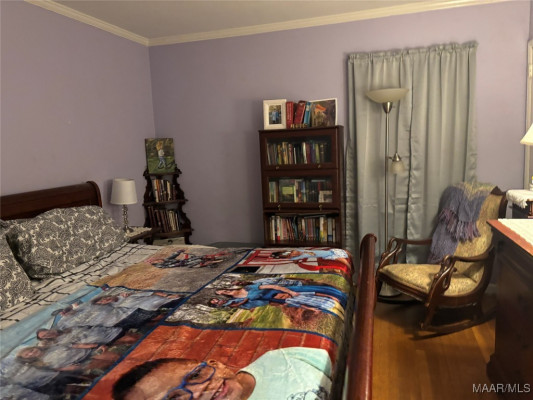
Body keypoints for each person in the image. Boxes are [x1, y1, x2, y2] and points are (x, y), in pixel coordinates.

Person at [112, 347, 331, 400]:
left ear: (217, 364)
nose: (199, 392)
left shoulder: (280, 360)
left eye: (195, 376)